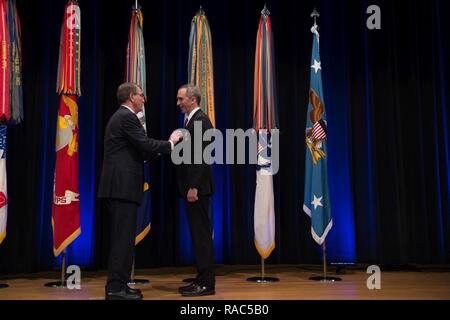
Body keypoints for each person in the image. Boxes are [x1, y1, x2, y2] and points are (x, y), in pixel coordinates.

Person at [98, 82, 182, 300]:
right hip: (121, 188)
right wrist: (171, 143)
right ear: (131, 97)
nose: (144, 100)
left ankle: (120, 285)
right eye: (141, 96)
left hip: (122, 189)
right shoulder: (126, 117)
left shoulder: (122, 117)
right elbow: (144, 145)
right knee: (121, 241)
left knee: (125, 240)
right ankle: (115, 289)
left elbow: (139, 149)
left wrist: (157, 150)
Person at [176, 84, 215, 297]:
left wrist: (193, 186)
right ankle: (201, 279)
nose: (179, 103)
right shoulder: (192, 121)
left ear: (193, 99)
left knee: (201, 237)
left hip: (197, 189)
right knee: (198, 236)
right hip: (193, 187)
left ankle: (207, 283)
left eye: (181, 99)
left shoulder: (200, 121)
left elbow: (200, 158)